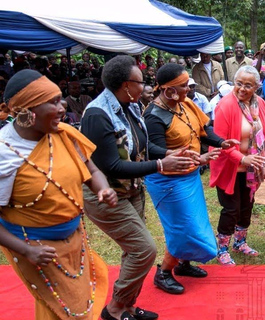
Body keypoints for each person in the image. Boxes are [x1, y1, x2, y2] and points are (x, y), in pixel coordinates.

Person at [81, 55, 193, 320]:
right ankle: (114, 309)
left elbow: (138, 148)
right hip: (106, 194)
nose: (145, 87)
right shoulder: (98, 115)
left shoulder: (129, 106)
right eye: (140, 82)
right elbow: (112, 166)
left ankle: (128, 306)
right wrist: (161, 166)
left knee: (133, 250)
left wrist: (170, 153)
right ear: (124, 84)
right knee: (144, 249)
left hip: (131, 190)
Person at [0, 69, 117, 320]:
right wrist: (26, 250)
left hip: (75, 239)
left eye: (60, 98)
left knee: (65, 308)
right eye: (53, 101)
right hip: (34, 248)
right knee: (71, 312)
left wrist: (103, 188)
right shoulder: (4, 154)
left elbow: (91, 168)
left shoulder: (63, 133)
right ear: (26, 113)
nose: (63, 106)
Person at [142, 63, 239, 294]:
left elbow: (206, 129)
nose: (189, 89)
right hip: (168, 182)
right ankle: (163, 273)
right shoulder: (153, 116)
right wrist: (200, 158)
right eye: (184, 85)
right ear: (168, 91)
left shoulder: (186, 104)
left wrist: (221, 142)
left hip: (190, 177)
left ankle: (183, 264)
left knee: (193, 224)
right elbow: (154, 150)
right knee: (183, 229)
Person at [210, 65, 265, 265]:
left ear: (256, 87)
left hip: (252, 168)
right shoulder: (225, 106)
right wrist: (242, 158)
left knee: (247, 206)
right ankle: (222, 248)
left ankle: (240, 242)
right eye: (239, 84)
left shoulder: (259, 103)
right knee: (231, 209)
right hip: (231, 167)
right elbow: (220, 141)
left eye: (248, 85)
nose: (242, 89)